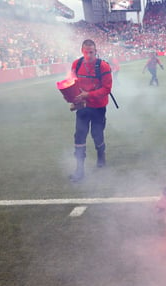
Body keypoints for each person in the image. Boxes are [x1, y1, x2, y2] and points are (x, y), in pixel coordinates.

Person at [69, 39, 112, 182]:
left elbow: (107, 89)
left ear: (96, 51)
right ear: (82, 51)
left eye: (91, 52)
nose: (88, 55)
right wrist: (73, 100)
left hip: (99, 107)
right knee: (79, 135)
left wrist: (88, 95)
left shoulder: (103, 66)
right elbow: (72, 83)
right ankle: (79, 169)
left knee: (96, 134)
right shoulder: (76, 64)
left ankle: (101, 155)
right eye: (86, 52)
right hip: (83, 106)